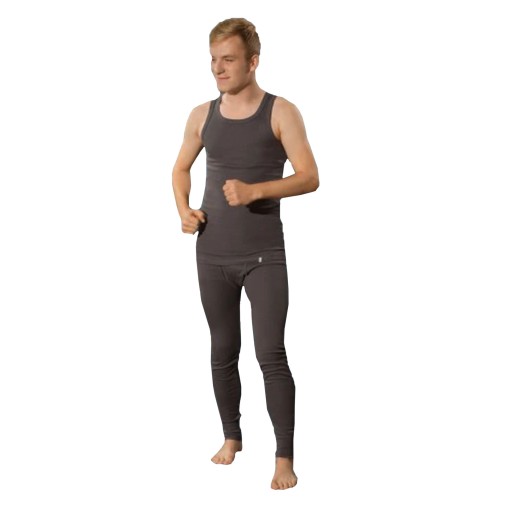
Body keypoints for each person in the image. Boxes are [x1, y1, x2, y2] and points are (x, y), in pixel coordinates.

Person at [171, 17, 319, 490]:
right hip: (211, 253)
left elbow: (310, 176)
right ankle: (232, 436)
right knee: (222, 350)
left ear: (253, 61)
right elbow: (179, 169)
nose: (219, 68)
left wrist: (256, 190)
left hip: (263, 255)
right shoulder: (201, 115)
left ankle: (284, 457)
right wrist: (184, 210)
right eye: (214, 60)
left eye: (228, 59)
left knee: (270, 353)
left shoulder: (281, 111)